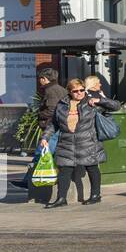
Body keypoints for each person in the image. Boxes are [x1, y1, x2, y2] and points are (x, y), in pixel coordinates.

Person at [42, 78, 121, 207]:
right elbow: (54, 124)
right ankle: (61, 199)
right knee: (64, 171)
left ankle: (95, 195)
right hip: (66, 142)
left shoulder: (91, 103)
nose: (79, 93)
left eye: (82, 90)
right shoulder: (62, 104)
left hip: (87, 142)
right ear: (69, 92)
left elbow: (116, 106)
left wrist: (100, 100)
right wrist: (45, 138)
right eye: (75, 91)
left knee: (92, 168)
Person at [14, 68, 68, 195]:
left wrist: (40, 114)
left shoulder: (51, 90)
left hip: (52, 128)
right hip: (58, 128)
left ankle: (29, 181)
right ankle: (27, 180)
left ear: (45, 79)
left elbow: (52, 110)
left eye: (41, 78)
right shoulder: (61, 89)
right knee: (45, 154)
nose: (40, 81)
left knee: (41, 154)